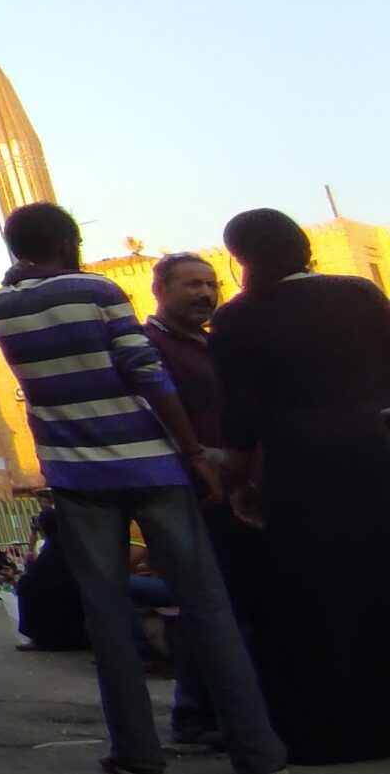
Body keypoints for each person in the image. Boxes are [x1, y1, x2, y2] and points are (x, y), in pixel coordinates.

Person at [0, 203, 282, 774]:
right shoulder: (99, 291)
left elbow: (13, 280)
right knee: (207, 605)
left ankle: (137, 752)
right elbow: (147, 373)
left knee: (107, 615)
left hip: (75, 476)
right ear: (68, 243)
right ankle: (257, 750)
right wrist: (193, 453)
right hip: (151, 466)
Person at [210, 209, 390, 765]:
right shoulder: (360, 293)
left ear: (241, 258)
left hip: (301, 467)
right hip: (376, 450)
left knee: (318, 598)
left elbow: (241, 414)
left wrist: (237, 479)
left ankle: (337, 732)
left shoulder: (235, 319)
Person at [140, 251, 254, 749]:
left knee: (229, 603)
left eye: (211, 284)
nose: (206, 293)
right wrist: (205, 459)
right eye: (192, 284)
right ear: (160, 290)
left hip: (233, 491)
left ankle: (217, 710)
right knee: (208, 603)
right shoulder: (148, 348)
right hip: (190, 492)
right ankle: (196, 714)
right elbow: (157, 417)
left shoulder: (210, 345)